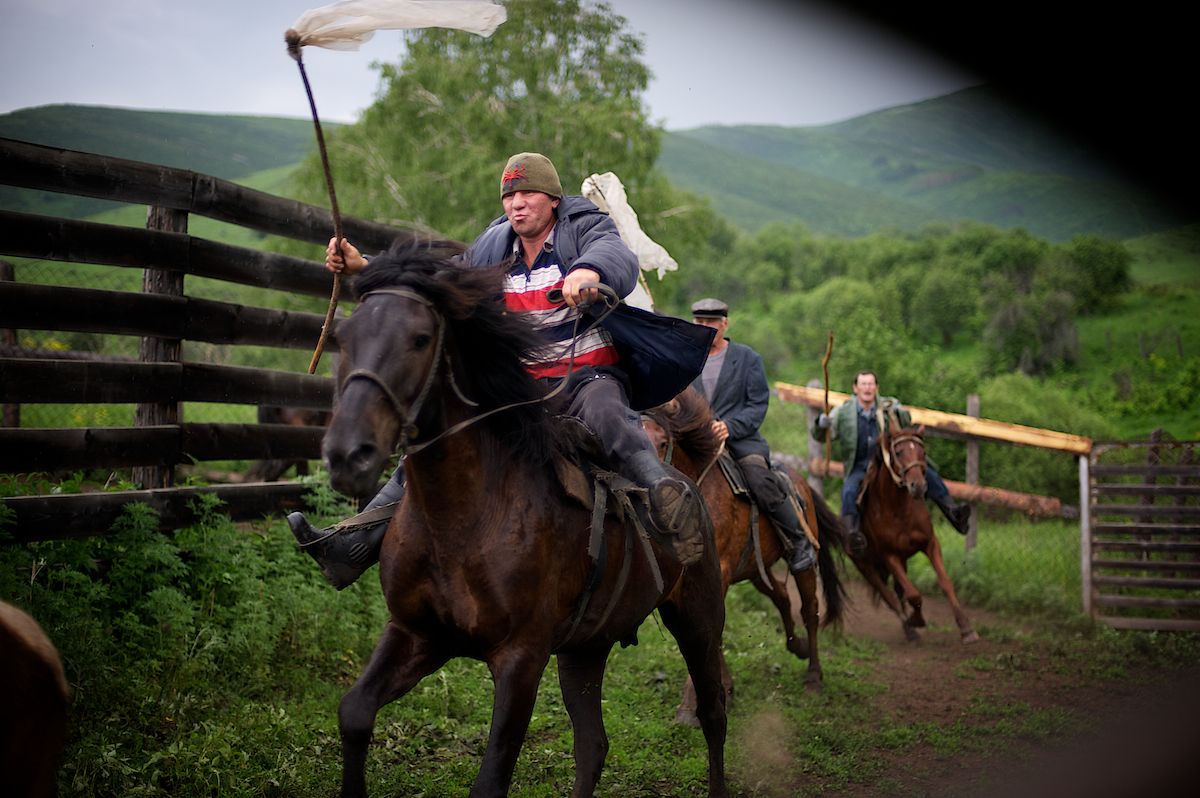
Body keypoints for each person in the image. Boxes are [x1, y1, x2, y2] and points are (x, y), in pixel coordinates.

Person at [288, 152, 714, 589]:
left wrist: (589, 270)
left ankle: (664, 499)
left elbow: (615, 255)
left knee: (608, 413)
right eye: (510, 195)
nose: (517, 203)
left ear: (552, 198)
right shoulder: (494, 245)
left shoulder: (584, 227)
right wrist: (365, 267)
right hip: (522, 389)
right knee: (443, 436)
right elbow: (442, 278)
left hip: (586, 377)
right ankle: (354, 544)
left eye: (528, 193)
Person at [689, 298, 817, 574]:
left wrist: (730, 426)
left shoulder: (747, 359)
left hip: (740, 441)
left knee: (761, 481)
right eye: (700, 322)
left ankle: (799, 540)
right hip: (695, 442)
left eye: (711, 322)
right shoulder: (686, 357)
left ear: (725, 324)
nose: (705, 327)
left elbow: (758, 404)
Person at [814, 370, 971, 556]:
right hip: (860, 464)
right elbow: (822, 437)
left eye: (871, 384)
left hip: (887, 463)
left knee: (927, 474)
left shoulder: (888, 405)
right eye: (863, 384)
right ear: (855, 388)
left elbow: (906, 420)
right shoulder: (843, 412)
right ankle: (852, 534)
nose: (867, 388)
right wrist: (821, 424)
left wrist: (899, 413)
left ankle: (953, 513)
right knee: (849, 491)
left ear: (877, 388)